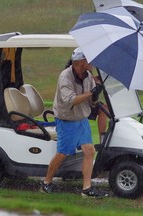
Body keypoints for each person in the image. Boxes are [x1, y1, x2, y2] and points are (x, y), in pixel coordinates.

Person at [40, 48, 107, 198]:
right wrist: (91, 92)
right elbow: (70, 100)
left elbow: (91, 102)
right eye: (89, 60)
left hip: (82, 120)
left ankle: (86, 189)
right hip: (67, 120)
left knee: (89, 151)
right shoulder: (65, 77)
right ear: (81, 62)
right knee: (63, 153)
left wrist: (96, 94)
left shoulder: (88, 76)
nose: (92, 63)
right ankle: (46, 183)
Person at [65, 59, 108, 143]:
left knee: (104, 108)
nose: (92, 65)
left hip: (85, 102)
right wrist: (93, 88)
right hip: (75, 104)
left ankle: (102, 141)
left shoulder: (87, 70)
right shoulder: (70, 73)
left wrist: (96, 82)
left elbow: (89, 82)